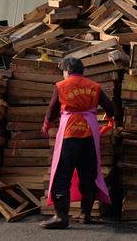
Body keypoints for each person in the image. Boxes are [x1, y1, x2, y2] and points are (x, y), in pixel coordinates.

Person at [40, 57, 114, 229]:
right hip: (89, 135)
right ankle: (85, 214)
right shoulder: (94, 86)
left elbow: (52, 111)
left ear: (67, 71)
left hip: (70, 134)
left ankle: (61, 217)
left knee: (62, 175)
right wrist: (109, 119)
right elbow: (110, 108)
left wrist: (46, 126)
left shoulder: (61, 86)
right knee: (87, 175)